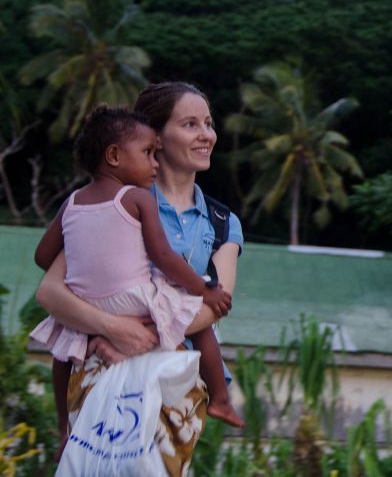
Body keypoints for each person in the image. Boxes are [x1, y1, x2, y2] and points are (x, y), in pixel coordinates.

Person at [36, 82, 245, 476]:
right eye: (190, 124)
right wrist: (112, 327)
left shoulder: (222, 222)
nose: (206, 135)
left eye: (209, 123)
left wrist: (135, 336)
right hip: (103, 370)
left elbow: (218, 305)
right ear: (156, 136)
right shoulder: (114, 204)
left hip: (174, 380)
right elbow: (50, 290)